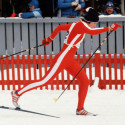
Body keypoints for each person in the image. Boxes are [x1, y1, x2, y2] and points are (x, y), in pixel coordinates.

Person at [11, 7, 121, 115]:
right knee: (44, 81)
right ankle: (17, 93)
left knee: (85, 81)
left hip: (69, 59)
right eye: (95, 23)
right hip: (63, 58)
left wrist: (50, 38)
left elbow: (59, 28)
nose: (95, 25)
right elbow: (92, 32)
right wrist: (109, 28)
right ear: (90, 21)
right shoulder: (81, 26)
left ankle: (80, 109)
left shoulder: (76, 24)